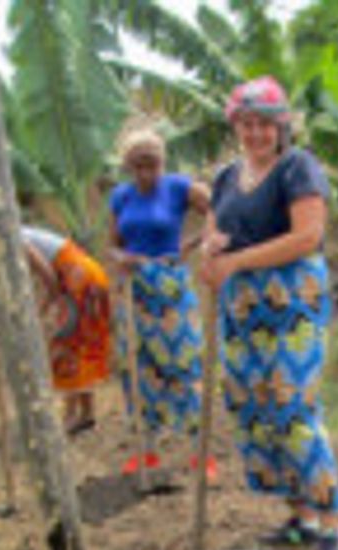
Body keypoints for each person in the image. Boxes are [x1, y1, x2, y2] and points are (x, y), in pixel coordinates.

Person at [198, 77, 338, 550]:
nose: (256, 132)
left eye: (265, 123)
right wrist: (210, 252)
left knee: (292, 405)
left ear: (282, 124)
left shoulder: (297, 168)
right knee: (254, 405)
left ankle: (333, 525)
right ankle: (300, 518)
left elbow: (308, 236)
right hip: (243, 305)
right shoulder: (225, 176)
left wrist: (237, 260)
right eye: (246, 123)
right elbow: (215, 231)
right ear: (235, 125)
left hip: (291, 302)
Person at [108, 127, 213, 478]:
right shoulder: (120, 197)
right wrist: (121, 258)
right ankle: (146, 451)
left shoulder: (180, 187)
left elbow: (220, 212)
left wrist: (192, 245)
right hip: (134, 291)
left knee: (184, 364)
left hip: (170, 287)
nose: (146, 172)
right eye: (138, 165)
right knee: (139, 368)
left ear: (163, 162)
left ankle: (201, 453)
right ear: (128, 166)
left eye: (152, 164)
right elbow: (114, 244)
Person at [22, 225, 111, 436]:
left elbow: (49, 278)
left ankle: (69, 416)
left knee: (66, 346)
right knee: (82, 346)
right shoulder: (26, 233)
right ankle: (86, 415)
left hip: (77, 278)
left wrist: (43, 309)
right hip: (92, 274)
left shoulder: (17, 239)